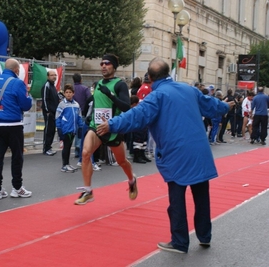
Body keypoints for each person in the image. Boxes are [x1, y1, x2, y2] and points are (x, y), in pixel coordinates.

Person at [96, 57, 233, 253]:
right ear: (168, 73)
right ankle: (204, 236)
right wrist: (226, 106)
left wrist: (111, 124)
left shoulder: (156, 96)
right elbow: (211, 105)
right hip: (200, 151)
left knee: (177, 200)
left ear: (150, 77)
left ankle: (179, 242)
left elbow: (137, 115)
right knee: (201, 197)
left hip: (176, 153)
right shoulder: (189, 89)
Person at [74, 54, 138, 205]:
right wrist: (89, 117)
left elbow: (126, 107)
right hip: (96, 127)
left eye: (107, 63)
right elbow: (96, 104)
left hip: (112, 128)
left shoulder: (119, 84)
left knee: (122, 161)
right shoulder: (98, 84)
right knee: (85, 153)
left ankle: (131, 179)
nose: (103, 65)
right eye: (102, 63)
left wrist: (110, 94)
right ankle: (88, 191)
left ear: (114, 67)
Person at [0, 58, 33, 199]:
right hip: (14, 125)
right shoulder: (18, 83)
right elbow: (25, 105)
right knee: (17, 157)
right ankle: (17, 188)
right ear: (16, 70)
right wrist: (29, 97)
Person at [56, 84, 84, 173]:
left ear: (73, 93)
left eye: (70, 92)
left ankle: (67, 164)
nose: (68, 94)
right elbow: (58, 117)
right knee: (66, 147)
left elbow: (79, 117)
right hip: (65, 129)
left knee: (69, 147)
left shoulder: (76, 104)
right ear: (64, 93)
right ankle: (64, 165)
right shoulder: (62, 104)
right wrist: (59, 128)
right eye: (66, 92)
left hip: (73, 130)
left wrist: (80, 127)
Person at [72, 73, 91, 158]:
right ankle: (80, 148)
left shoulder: (71, 89)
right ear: (81, 79)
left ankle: (76, 149)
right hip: (83, 112)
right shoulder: (85, 88)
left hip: (72, 112)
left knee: (74, 131)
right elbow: (90, 99)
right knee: (81, 131)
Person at [41, 70, 60, 156]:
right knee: (48, 130)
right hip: (49, 112)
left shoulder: (53, 86)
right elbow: (44, 99)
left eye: (55, 75)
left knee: (52, 130)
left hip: (54, 112)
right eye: (52, 75)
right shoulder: (47, 85)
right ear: (48, 76)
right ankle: (46, 148)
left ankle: (49, 147)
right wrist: (47, 111)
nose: (54, 76)